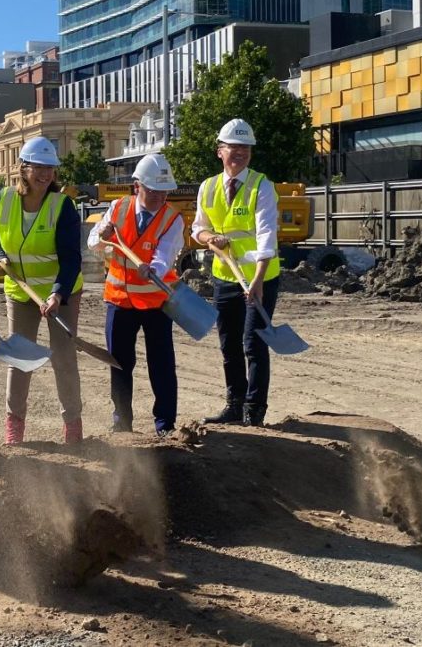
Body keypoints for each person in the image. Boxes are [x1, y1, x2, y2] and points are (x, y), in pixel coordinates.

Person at [0, 137, 84, 444]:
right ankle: (14, 427)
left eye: (50, 168)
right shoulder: (3, 199)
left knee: (64, 358)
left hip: (62, 292)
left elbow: (71, 258)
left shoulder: (63, 206)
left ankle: (72, 426)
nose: (45, 174)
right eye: (38, 167)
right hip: (20, 292)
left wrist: (58, 294)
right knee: (20, 359)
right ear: (23, 168)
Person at [87, 154, 183, 438]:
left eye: (164, 192)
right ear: (137, 186)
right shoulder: (117, 208)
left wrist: (152, 268)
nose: (159, 197)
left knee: (161, 363)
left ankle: (165, 423)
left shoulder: (172, 218)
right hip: (119, 300)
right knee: (119, 363)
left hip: (156, 302)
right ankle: (122, 421)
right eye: (153, 190)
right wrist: (102, 236)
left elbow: (166, 254)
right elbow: (94, 243)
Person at [193, 118, 280, 428]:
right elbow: (198, 228)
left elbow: (267, 234)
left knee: (254, 343)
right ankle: (234, 404)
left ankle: (254, 411)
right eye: (234, 147)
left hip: (260, 279)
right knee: (229, 344)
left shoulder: (262, 186)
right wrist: (209, 239)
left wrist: (257, 279)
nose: (240, 153)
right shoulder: (209, 187)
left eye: (245, 148)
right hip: (225, 278)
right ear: (221, 151)